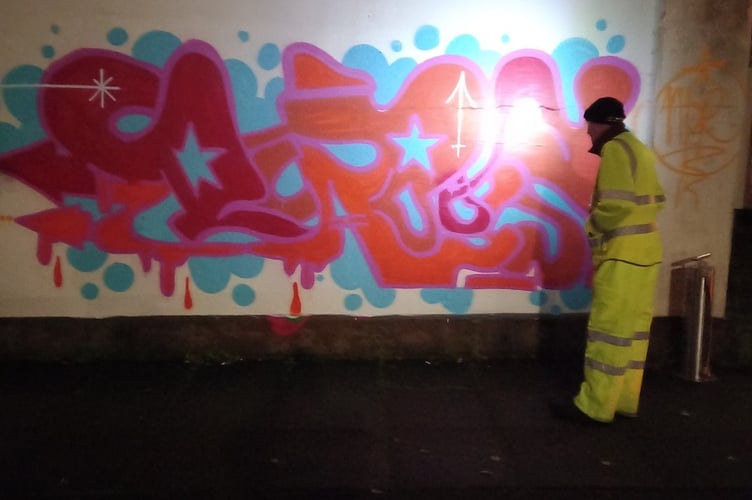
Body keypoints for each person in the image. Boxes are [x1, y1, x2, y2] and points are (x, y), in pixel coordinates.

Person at [551, 97, 666, 424]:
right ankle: (623, 400)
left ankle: (594, 406)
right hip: (647, 254)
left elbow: (616, 206)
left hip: (621, 255)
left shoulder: (615, 150)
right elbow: (657, 199)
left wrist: (592, 227)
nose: (587, 132)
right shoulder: (638, 148)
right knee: (631, 333)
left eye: (589, 125)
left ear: (601, 123)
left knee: (607, 332)